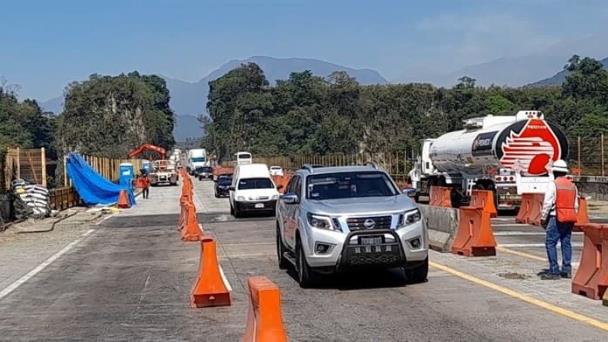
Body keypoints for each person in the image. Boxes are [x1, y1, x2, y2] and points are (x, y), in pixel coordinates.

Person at [539, 159, 579, 280]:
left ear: (555, 172)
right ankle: (566, 270)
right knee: (566, 242)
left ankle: (554, 271)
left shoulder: (553, 184)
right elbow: (576, 204)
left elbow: (547, 203)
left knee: (550, 243)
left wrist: (543, 217)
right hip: (569, 217)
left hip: (555, 217)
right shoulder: (572, 185)